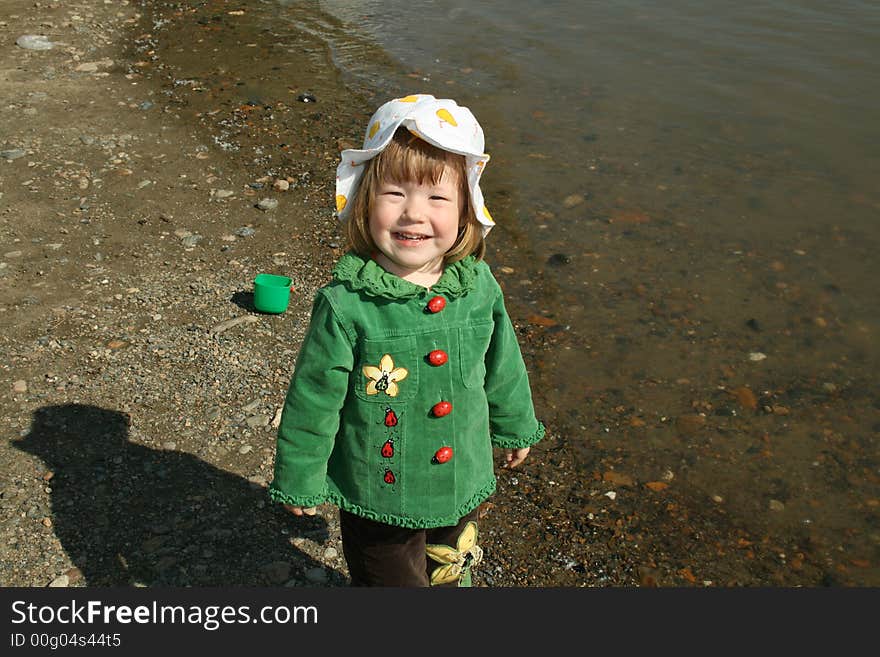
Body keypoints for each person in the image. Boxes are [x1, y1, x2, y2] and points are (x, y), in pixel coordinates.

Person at [269, 93, 545, 587]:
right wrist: (299, 474)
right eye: (394, 193)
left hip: (462, 474)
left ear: (466, 210)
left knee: (446, 569)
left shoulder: (478, 286)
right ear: (363, 200)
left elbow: (503, 365)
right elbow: (313, 398)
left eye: (437, 198)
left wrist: (515, 424)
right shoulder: (347, 303)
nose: (413, 214)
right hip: (380, 490)